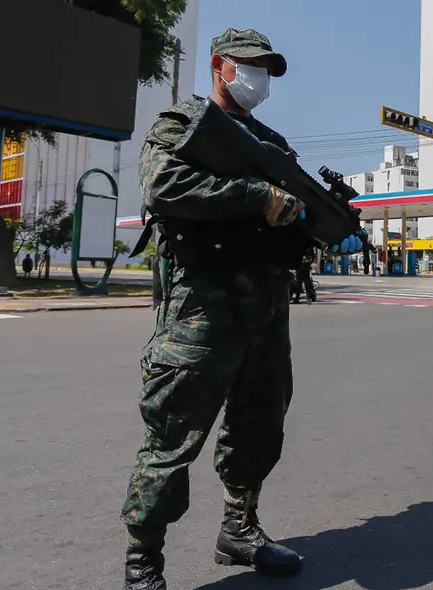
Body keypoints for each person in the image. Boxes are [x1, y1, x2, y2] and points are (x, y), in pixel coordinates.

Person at [120, 28, 362, 590]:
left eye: (268, 69)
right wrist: (255, 196)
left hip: (266, 309)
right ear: (220, 66)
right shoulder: (182, 123)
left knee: (259, 426)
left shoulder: (274, 143)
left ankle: (240, 528)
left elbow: (292, 217)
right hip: (199, 309)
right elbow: (162, 186)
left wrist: (324, 226)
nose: (260, 78)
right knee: (172, 435)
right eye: (250, 65)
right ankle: (143, 559)